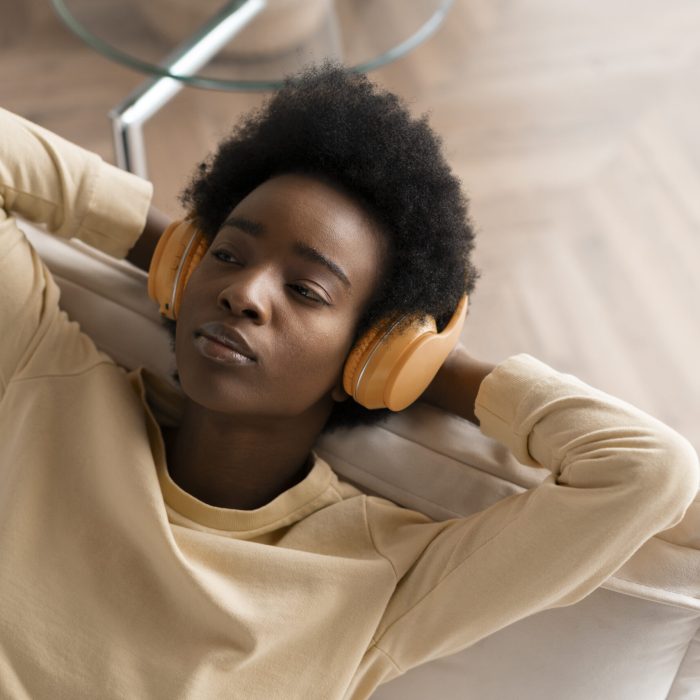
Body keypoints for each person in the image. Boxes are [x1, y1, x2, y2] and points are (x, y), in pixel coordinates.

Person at [0, 63, 697, 699]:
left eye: (304, 289)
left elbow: (647, 471)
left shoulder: (379, 576)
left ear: (368, 351)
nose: (244, 292)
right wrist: (167, 250)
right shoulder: (52, 378)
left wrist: (418, 364)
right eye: (228, 253)